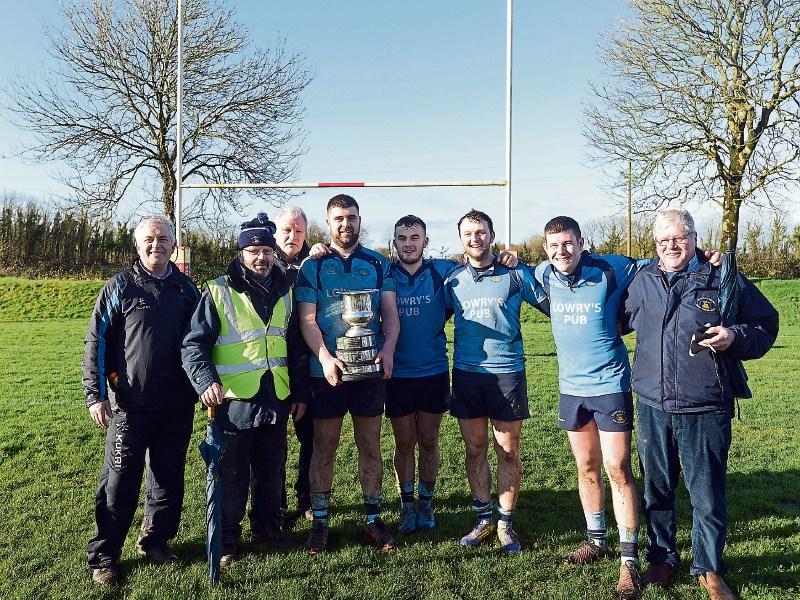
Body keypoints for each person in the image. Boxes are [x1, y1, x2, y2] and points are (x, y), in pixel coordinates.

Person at [622, 209, 778, 600]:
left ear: (693, 238)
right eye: (663, 240)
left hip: (705, 404)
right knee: (657, 488)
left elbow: (765, 324)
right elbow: (611, 318)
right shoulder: (641, 281)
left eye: (679, 238)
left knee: (707, 494)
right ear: (654, 243)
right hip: (653, 404)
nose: (671, 246)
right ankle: (662, 556)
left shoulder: (721, 277)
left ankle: (709, 569)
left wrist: (734, 336)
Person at [181, 213, 309, 565]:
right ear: (240, 254)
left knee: (271, 471)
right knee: (232, 474)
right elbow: (194, 346)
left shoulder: (286, 289)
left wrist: (298, 393)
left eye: (266, 249)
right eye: (253, 250)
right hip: (233, 401)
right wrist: (205, 381)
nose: (261, 257)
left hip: (276, 397)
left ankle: (268, 530)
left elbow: (295, 346)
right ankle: (226, 541)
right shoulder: (218, 290)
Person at [82, 215, 200, 586]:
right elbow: (96, 342)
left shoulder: (186, 289)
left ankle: (155, 540)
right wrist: (96, 395)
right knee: (119, 484)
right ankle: (104, 555)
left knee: (168, 479)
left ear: (173, 244)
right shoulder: (119, 287)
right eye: (149, 239)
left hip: (176, 406)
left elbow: (201, 341)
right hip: (129, 407)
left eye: (163, 239)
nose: (156, 245)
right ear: (137, 245)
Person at [535, 216, 646, 599]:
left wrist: (702, 255)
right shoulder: (543, 275)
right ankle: (596, 541)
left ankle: (629, 559)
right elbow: (516, 270)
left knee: (617, 468)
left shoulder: (609, 268)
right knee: (586, 467)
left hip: (611, 386)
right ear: (545, 249)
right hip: (571, 389)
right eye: (553, 245)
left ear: (582, 242)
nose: (561, 251)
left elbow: (656, 264)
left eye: (568, 243)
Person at [295, 194, 400, 554]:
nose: (345, 224)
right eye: (338, 218)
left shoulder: (376, 262)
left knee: (370, 445)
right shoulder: (314, 266)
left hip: (369, 372)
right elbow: (307, 319)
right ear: (328, 222)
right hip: (326, 373)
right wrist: (324, 357)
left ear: (359, 220)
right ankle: (320, 523)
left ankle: (373, 520)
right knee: (324, 446)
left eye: (351, 217)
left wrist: (386, 349)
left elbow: (390, 314)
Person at [444, 209, 548, 554]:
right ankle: (483, 519)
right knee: (474, 449)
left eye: (481, 232)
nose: (475, 239)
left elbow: (552, 298)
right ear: (461, 240)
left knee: (508, 451)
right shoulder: (452, 279)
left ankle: (505, 524)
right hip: (466, 374)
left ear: (491, 234)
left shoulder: (515, 274)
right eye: (468, 234)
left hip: (507, 374)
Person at [272, 205, 314, 528]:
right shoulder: (259, 263)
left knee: (311, 439)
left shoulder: (310, 266)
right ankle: (277, 505)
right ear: (275, 232)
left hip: (304, 368)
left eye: (298, 231)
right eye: (287, 230)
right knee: (273, 446)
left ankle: (307, 498)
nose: (292, 236)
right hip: (268, 374)